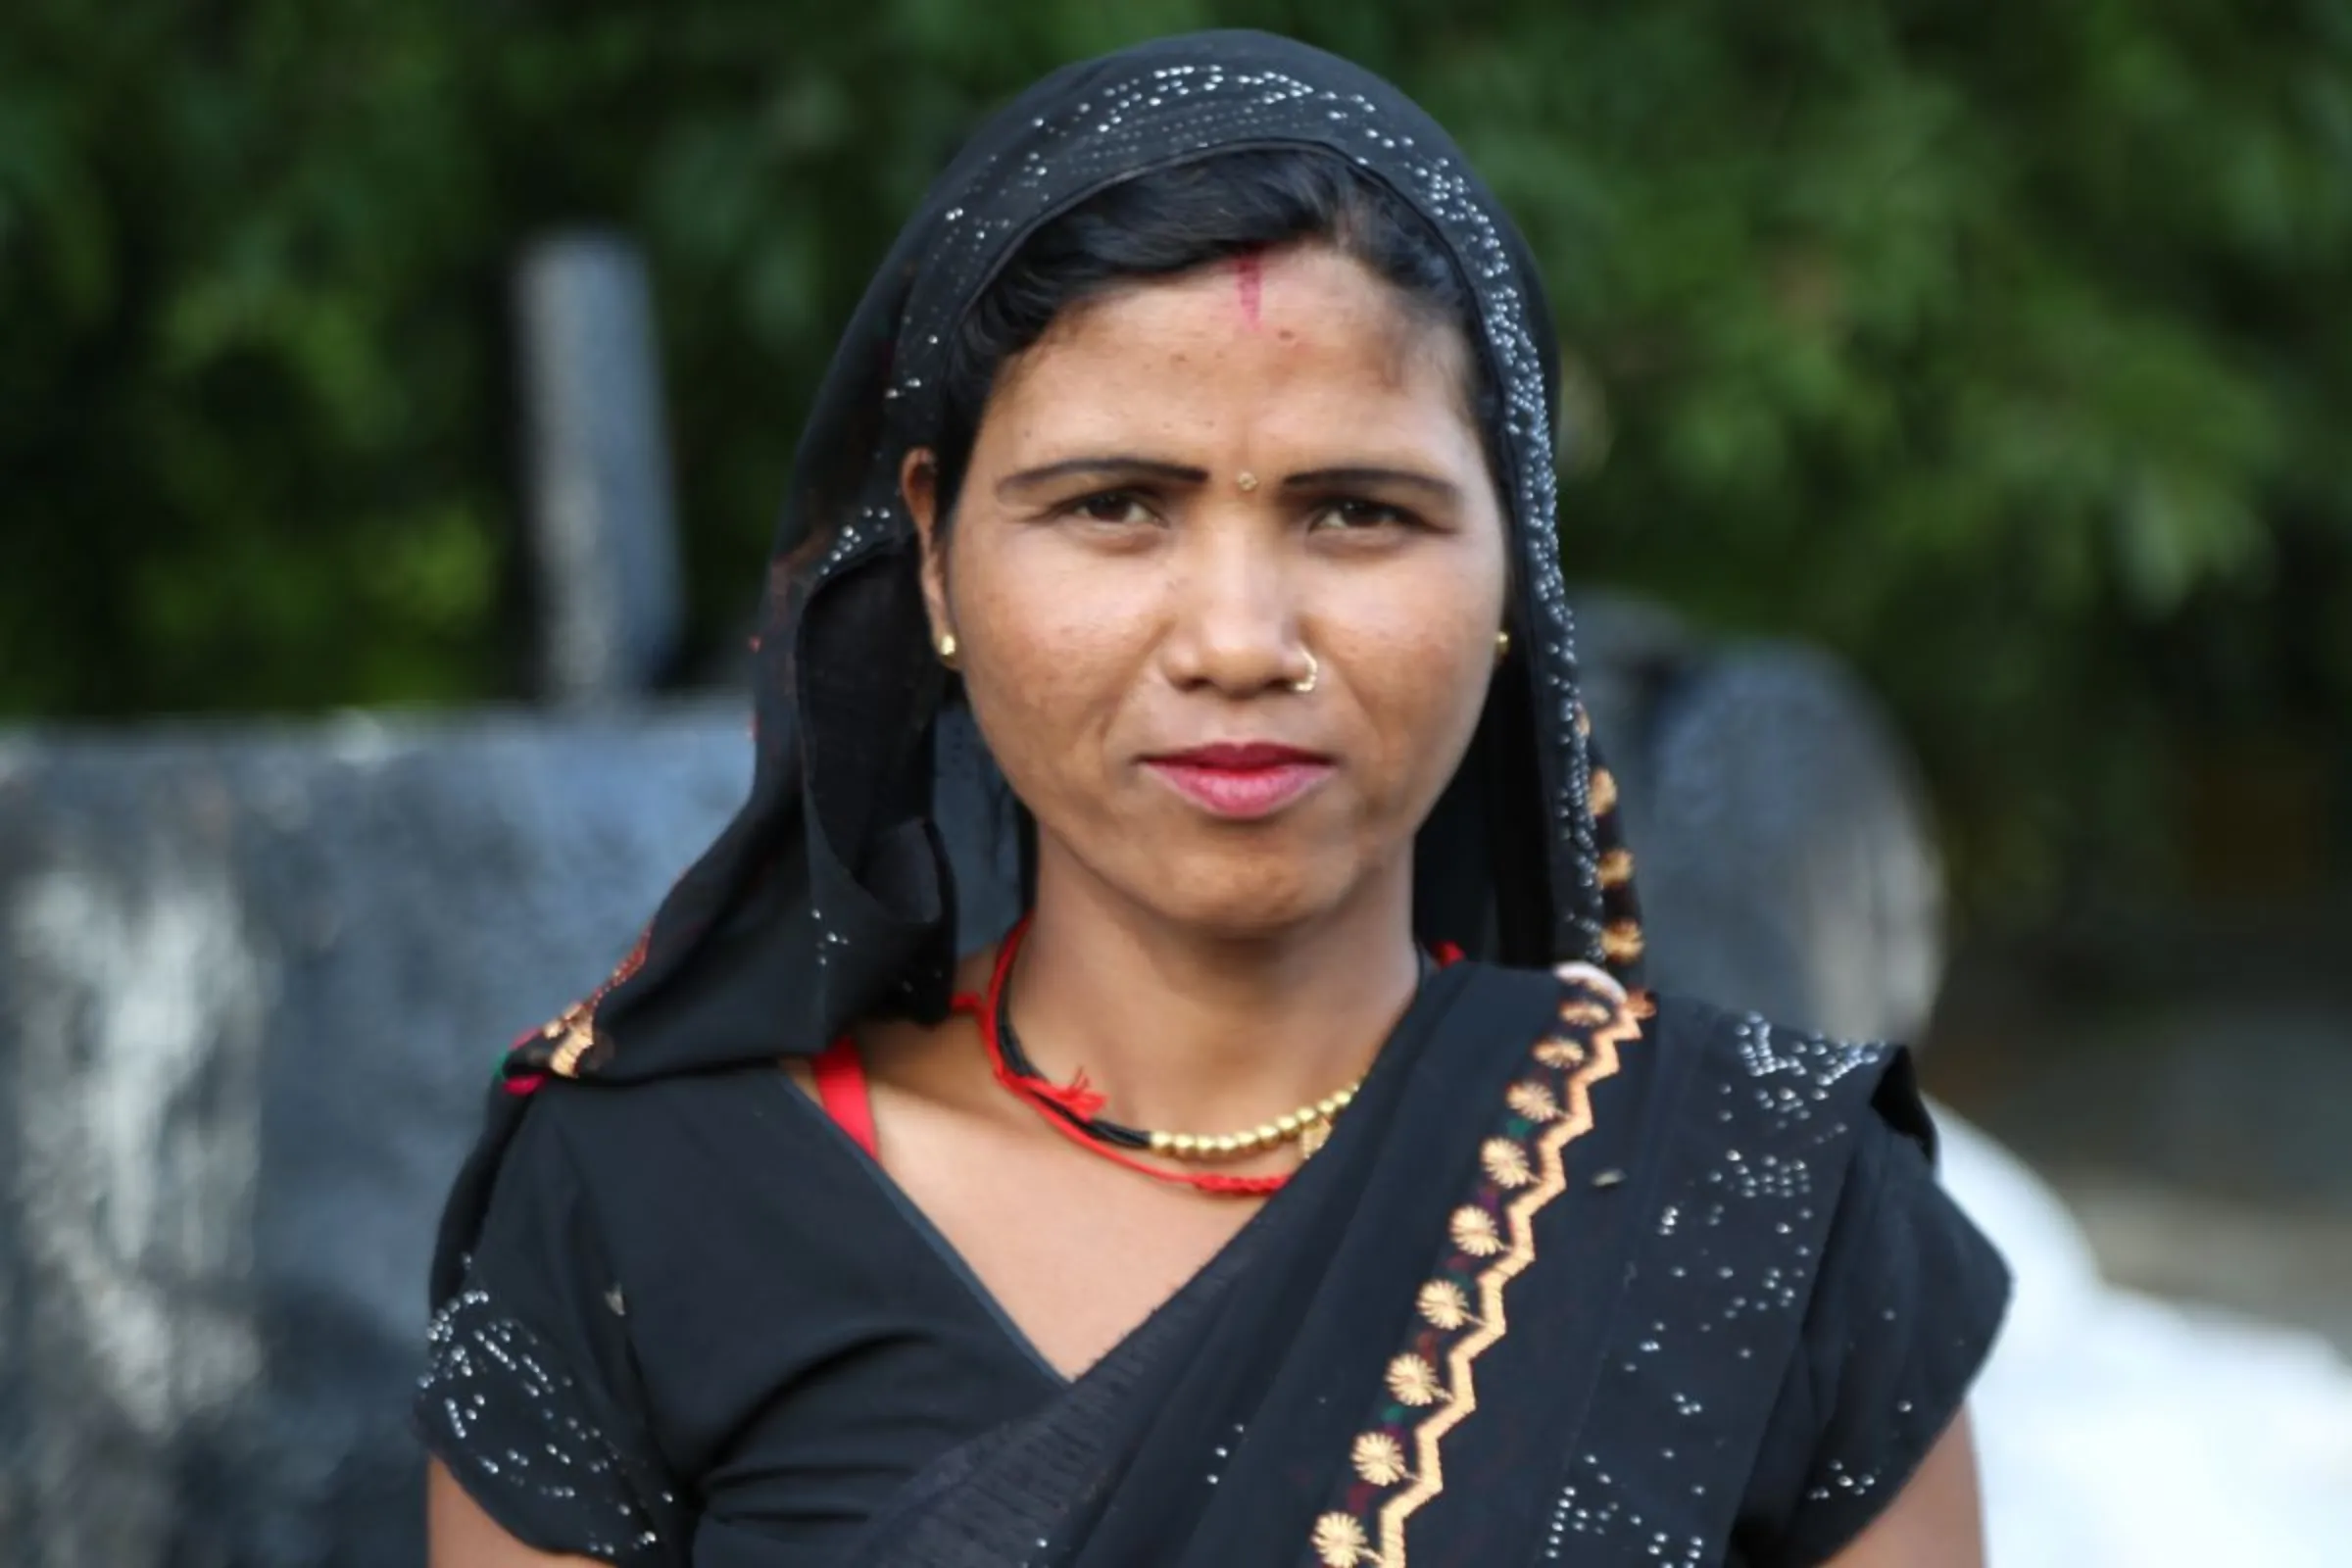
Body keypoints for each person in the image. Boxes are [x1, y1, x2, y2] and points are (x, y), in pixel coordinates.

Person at [417, 29, 2008, 1567]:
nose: (1241, 642)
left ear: (1512, 565)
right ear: (939, 552)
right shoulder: (637, 1209)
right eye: (1114, 505)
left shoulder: (1760, 1214)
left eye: (1359, 512)